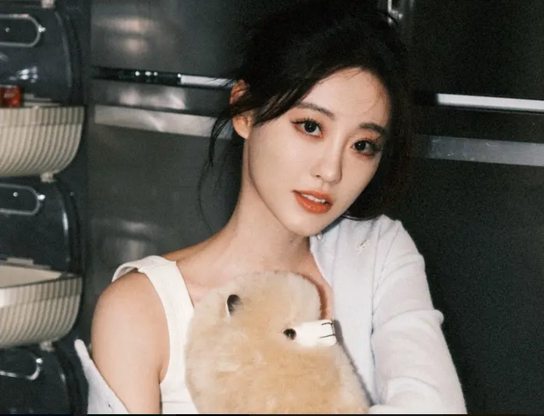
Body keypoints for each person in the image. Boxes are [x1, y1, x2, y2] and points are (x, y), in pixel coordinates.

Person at [75, 0, 467, 413]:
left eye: (363, 145)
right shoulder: (142, 310)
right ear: (245, 110)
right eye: (311, 127)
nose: (331, 170)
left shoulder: (375, 254)